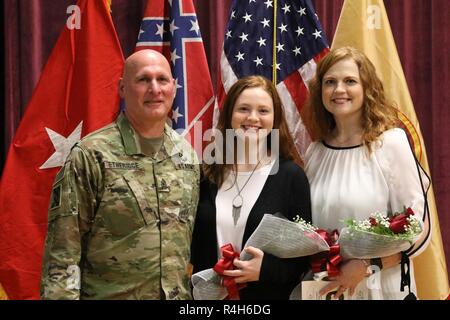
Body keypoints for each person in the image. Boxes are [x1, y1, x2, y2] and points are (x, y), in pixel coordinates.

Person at [40, 49, 200, 300]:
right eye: (143, 79)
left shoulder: (187, 156)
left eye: (162, 79)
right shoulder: (92, 155)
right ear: (122, 88)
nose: (155, 89)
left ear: (174, 87)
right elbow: (62, 255)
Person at [304, 46, 430, 300]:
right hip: (325, 290)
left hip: (382, 288)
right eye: (330, 82)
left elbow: (419, 229)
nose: (339, 90)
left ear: (367, 88)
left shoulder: (391, 143)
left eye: (350, 81)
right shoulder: (315, 152)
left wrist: (366, 266)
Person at [190, 75, 312, 300]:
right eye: (243, 109)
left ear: (275, 119)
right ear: (229, 116)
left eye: (263, 111)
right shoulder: (207, 174)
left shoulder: (291, 177)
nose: (252, 118)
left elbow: (303, 259)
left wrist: (265, 270)